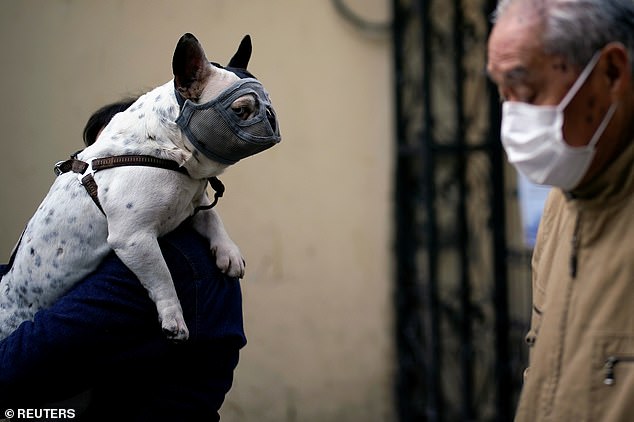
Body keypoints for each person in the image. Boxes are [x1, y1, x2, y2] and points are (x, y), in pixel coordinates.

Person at [0, 100, 247, 421]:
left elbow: (16, 366)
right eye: (96, 164)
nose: (105, 179)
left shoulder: (154, 263)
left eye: (125, 163)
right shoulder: (192, 242)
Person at [487, 0, 634, 420]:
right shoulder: (561, 203)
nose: (512, 117)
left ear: (610, 73)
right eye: (502, 93)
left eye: (526, 90)